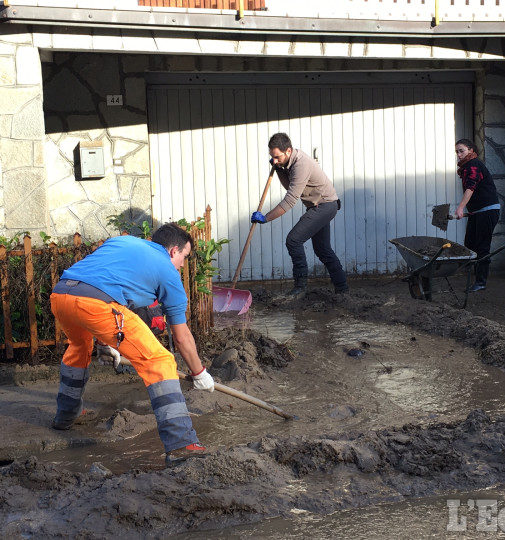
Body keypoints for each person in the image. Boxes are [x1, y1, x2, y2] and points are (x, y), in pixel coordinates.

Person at [50, 223, 215, 466]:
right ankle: (182, 445)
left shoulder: (122, 243)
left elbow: (106, 282)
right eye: (184, 257)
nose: (182, 265)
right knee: (159, 360)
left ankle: (66, 416)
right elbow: (181, 337)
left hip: (63, 295)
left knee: (78, 347)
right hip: (96, 304)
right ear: (173, 251)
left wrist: (107, 342)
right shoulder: (169, 274)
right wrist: (199, 372)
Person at [251, 132, 348, 297]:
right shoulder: (288, 163)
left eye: (277, 157)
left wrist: (266, 217)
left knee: (293, 240)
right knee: (322, 249)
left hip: (325, 206)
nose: (274, 160)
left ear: (288, 151)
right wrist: (280, 169)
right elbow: (290, 186)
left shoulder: (301, 164)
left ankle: (300, 288)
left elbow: (290, 201)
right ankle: (343, 289)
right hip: (319, 206)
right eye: (272, 157)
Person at [453, 138, 500, 292]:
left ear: (471, 150)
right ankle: (474, 277)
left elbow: (471, 187)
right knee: (470, 244)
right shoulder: (468, 166)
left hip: (488, 211)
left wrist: (460, 208)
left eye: (462, 151)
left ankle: (480, 282)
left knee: (482, 247)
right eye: (457, 152)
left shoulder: (474, 165)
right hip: (478, 212)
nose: (459, 155)